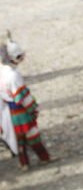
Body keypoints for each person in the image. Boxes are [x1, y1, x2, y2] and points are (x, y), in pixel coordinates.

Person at [0, 35, 51, 169]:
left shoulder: (3, 72)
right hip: (20, 110)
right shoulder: (14, 75)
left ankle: (24, 164)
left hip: (8, 111)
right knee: (32, 134)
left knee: (20, 139)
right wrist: (33, 108)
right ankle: (44, 158)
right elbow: (22, 97)